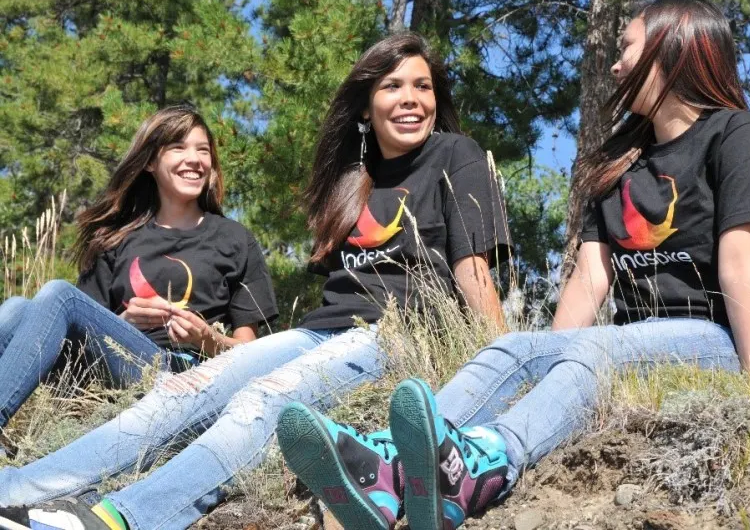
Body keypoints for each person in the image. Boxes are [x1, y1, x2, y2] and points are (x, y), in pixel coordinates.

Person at [276, 0, 750, 530]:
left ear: (674, 47)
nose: (615, 64)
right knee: (514, 345)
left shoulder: (735, 134)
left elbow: (738, 263)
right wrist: (541, 350)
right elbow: (590, 278)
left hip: (715, 341)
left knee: (594, 350)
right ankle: (392, 463)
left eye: (628, 48)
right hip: (634, 345)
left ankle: (489, 461)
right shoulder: (620, 163)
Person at [0, 31, 510, 530]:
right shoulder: (352, 181)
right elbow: (341, 288)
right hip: (319, 331)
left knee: (262, 399)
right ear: (364, 106)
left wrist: (498, 364)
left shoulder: (456, 155)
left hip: (392, 333)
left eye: (423, 87)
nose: (411, 99)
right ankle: (14, 492)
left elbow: (473, 272)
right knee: (178, 394)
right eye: (393, 86)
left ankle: (120, 517)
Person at [0, 105, 279, 453]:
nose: (194, 159)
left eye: (203, 150)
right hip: (105, 376)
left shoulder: (235, 239)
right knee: (14, 308)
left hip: (178, 374)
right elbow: (78, 338)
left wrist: (205, 338)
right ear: (150, 162)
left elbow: (253, 351)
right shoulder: (116, 239)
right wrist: (123, 323)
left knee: (59, 293)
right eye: (178, 147)